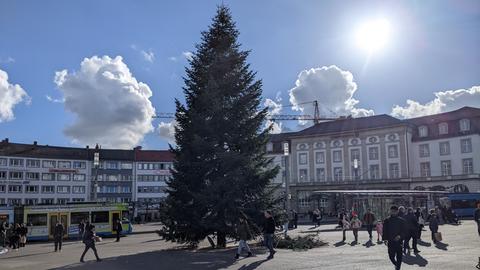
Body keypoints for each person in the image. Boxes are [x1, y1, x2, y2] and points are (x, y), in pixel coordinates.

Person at [383, 205, 407, 270]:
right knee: (391, 256)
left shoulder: (401, 220)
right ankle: (395, 264)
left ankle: (398, 267)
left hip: (399, 241)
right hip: (390, 241)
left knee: (399, 256)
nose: (393, 212)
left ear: (397, 211)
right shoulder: (386, 220)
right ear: (390, 211)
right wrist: (385, 239)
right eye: (392, 211)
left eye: (394, 211)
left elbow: (404, 231)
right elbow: (384, 230)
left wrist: (400, 236)